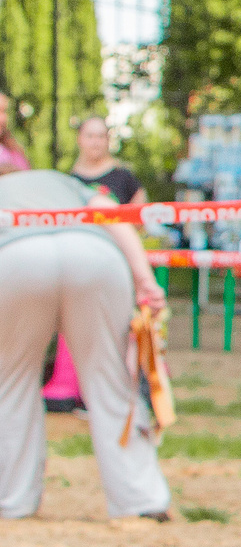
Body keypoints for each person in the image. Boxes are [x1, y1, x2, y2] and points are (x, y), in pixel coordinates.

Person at [0, 170, 170, 519]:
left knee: (11, 384)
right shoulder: (68, 183)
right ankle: (141, 502)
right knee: (112, 380)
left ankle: (12, 501)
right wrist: (145, 279)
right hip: (94, 253)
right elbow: (115, 218)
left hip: (15, 255)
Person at [45, 117, 147, 414]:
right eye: (90, 136)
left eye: (101, 136)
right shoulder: (67, 181)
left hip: (115, 265)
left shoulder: (125, 178)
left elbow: (139, 219)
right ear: (80, 139)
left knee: (117, 327)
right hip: (76, 268)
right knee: (73, 328)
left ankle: (119, 391)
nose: (96, 142)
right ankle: (70, 390)